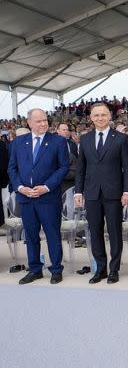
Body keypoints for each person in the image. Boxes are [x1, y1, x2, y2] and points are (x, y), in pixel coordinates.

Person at [7, 108, 70, 284]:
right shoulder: (19, 142)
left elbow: (63, 167)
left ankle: (56, 269)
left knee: (52, 234)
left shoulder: (58, 141)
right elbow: (12, 168)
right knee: (31, 235)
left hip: (48, 198)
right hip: (26, 198)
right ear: (29, 123)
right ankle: (35, 269)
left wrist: (47, 187)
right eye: (39, 121)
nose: (43, 124)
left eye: (45, 120)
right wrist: (20, 187)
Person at [74, 103, 128, 284]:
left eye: (103, 114)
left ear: (110, 117)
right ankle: (100, 268)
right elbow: (80, 169)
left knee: (115, 231)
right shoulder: (84, 139)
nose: (100, 118)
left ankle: (114, 269)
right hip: (92, 193)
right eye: (96, 115)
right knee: (95, 231)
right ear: (91, 118)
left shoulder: (121, 138)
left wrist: (127, 191)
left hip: (114, 192)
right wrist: (78, 192)